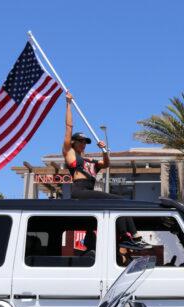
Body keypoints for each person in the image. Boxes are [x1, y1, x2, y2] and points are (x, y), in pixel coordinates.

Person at [63, 91, 149, 249]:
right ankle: (128, 235)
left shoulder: (90, 160)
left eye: (85, 142)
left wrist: (104, 151)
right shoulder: (71, 155)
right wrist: (68, 104)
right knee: (119, 200)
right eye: (80, 141)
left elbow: (106, 164)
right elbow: (69, 128)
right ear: (74, 143)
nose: (83, 144)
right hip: (78, 190)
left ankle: (131, 236)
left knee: (121, 202)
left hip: (89, 190)